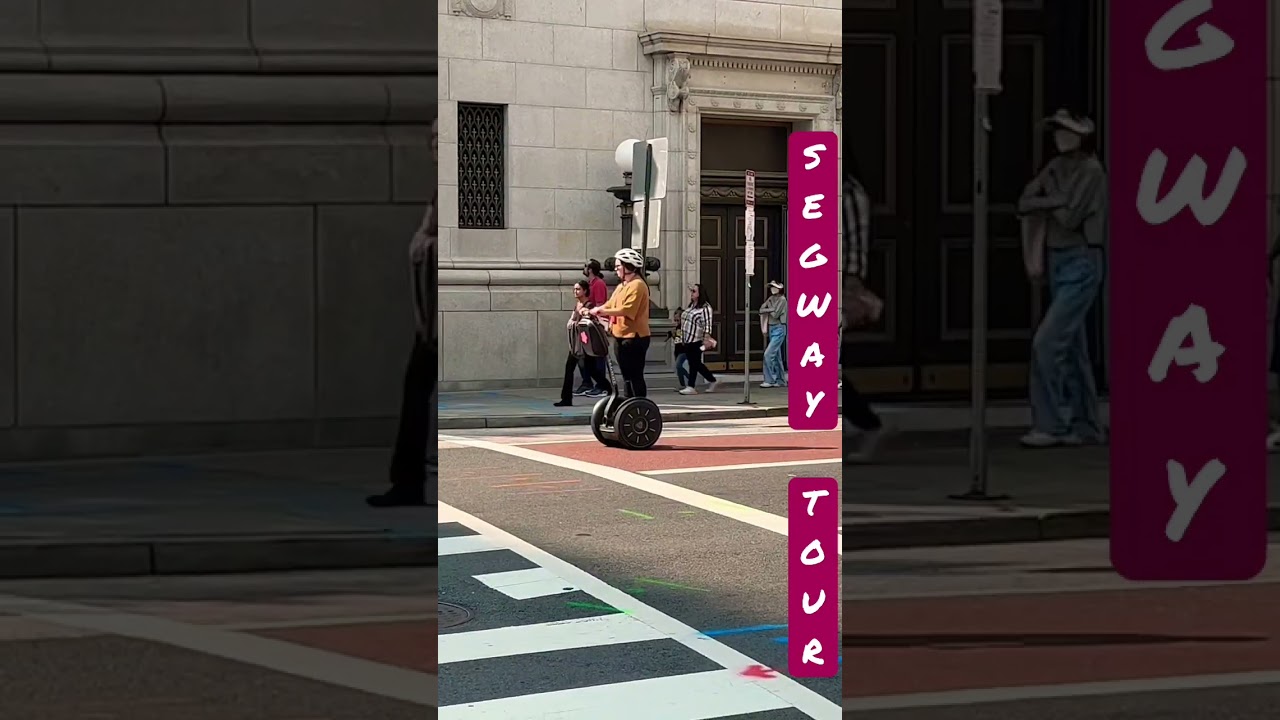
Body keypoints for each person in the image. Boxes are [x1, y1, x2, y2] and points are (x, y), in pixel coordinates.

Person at [1017, 109, 1108, 448]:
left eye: (1067, 131)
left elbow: (1070, 217)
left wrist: (1047, 202)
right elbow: (1026, 200)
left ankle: (1050, 423)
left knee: (1048, 342)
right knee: (1071, 347)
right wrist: (1052, 200)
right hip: (1058, 259)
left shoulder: (1091, 171)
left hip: (1082, 259)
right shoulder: (1055, 168)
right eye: (1057, 131)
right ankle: (1086, 424)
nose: (1060, 137)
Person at [368, 116, 437, 508]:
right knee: (415, 394)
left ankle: (410, 480)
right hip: (427, 319)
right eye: (430, 137)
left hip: (432, 322)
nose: (433, 144)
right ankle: (409, 480)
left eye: (440, 138)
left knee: (417, 394)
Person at [842, 163, 888, 462]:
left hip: (841, 284)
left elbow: (853, 248)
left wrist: (849, 286)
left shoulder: (847, 192)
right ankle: (863, 424)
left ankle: (869, 425)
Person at [588, 248, 651, 397]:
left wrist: (601, 312)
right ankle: (629, 403)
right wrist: (595, 310)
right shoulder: (622, 286)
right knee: (626, 377)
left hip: (635, 338)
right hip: (620, 335)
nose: (616, 269)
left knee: (634, 375)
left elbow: (627, 310)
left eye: (618, 266)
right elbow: (610, 304)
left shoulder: (638, 285)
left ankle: (639, 405)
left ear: (628, 266)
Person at [556, 280, 610, 407]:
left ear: (585, 291)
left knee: (592, 370)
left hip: (584, 345)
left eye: (578, 289)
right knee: (571, 369)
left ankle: (609, 388)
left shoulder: (588, 306)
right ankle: (566, 399)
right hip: (576, 344)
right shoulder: (578, 305)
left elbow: (588, 325)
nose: (575, 291)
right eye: (574, 289)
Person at [574, 259, 610, 396]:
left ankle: (601, 386)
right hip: (586, 325)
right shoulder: (589, 284)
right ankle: (587, 382)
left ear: (590, 269)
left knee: (597, 355)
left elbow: (600, 304)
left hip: (595, 325)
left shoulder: (599, 284)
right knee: (583, 355)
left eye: (585, 266)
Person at [674, 284, 718, 395]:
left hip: (697, 340)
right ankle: (712, 380)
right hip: (687, 340)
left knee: (694, 363)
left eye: (694, 291)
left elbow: (707, 324)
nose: (692, 293)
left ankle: (691, 386)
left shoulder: (705, 308)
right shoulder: (692, 306)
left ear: (700, 293)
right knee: (696, 363)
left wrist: (707, 338)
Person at [759, 280, 788, 388]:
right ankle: (780, 380)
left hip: (779, 328)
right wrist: (770, 309)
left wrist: (768, 310)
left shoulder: (782, 300)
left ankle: (769, 379)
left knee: (768, 354)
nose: (772, 289)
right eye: (771, 287)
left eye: (774, 287)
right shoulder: (771, 299)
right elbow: (761, 309)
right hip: (771, 328)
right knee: (776, 356)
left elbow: (775, 315)